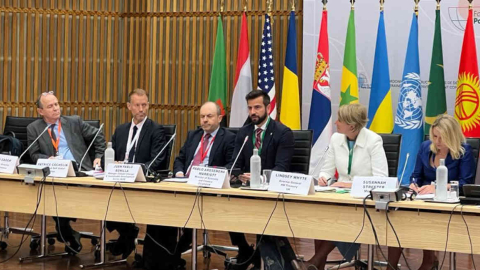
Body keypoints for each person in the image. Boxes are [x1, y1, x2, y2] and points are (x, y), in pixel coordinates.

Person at [142, 101, 235, 270]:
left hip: (208, 188)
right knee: (157, 209)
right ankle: (157, 260)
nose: (205, 120)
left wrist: (210, 176)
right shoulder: (194, 135)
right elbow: (180, 159)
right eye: (202, 116)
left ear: (220, 118)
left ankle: (174, 254)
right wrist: (178, 173)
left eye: (209, 116)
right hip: (184, 183)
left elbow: (231, 166)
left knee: (184, 211)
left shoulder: (229, 138)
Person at [387, 114, 475, 270]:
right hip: (422, 198)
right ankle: (391, 266)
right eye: (435, 136)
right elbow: (416, 175)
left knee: (428, 217)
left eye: (442, 137)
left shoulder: (464, 151)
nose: (437, 141)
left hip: (447, 203)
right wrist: (414, 185)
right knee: (398, 216)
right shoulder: (426, 147)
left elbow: (465, 183)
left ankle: (429, 260)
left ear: (452, 136)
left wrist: (441, 186)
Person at [308, 103, 388, 270]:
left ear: (351, 126)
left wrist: (350, 184)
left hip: (364, 200)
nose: (336, 122)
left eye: (339, 120)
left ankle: (315, 261)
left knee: (341, 220)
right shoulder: (336, 139)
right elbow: (327, 169)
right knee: (320, 219)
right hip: (339, 194)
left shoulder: (373, 140)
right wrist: (323, 178)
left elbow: (381, 179)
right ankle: (317, 265)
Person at [27, 91, 106, 254]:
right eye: (50, 106)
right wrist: (47, 159)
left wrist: (98, 157)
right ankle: (69, 235)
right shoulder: (34, 129)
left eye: (56, 104)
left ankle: (67, 234)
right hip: (55, 173)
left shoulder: (74, 122)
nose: (56, 108)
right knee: (54, 196)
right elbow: (33, 154)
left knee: (60, 197)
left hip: (80, 172)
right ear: (41, 111)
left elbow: (99, 136)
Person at [228, 90, 295, 270]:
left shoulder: (283, 133)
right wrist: (240, 175)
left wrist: (260, 177)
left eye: (257, 107)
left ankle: (268, 260)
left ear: (268, 107)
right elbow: (234, 164)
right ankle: (245, 250)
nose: (253, 112)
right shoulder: (244, 132)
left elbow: (282, 169)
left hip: (272, 195)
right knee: (224, 208)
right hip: (247, 189)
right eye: (250, 108)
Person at [107, 88, 166, 259]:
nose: (141, 109)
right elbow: (111, 157)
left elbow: (157, 161)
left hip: (140, 181)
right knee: (102, 199)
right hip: (119, 180)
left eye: (144, 105)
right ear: (129, 107)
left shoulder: (156, 130)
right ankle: (127, 232)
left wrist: (133, 170)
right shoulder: (121, 130)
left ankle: (126, 236)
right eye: (137, 105)